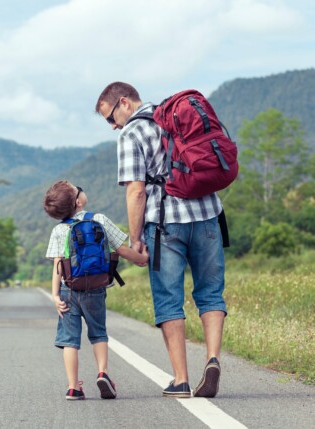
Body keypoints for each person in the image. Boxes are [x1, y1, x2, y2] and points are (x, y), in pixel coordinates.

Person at [95, 82, 227, 398]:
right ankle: (212, 359)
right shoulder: (176, 116)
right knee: (210, 293)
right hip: (208, 213)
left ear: (124, 103)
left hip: (165, 224)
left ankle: (181, 379)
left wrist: (136, 237)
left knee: (169, 299)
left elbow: (136, 191)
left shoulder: (131, 133)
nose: (113, 127)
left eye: (111, 118)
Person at [43, 180, 149, 401]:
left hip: (68, 290)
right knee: (98, 333)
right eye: (78, 189)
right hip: (97, 289)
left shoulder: (59, 230)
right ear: (79, 201)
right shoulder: (98, 219)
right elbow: (121, 249)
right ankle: (103, 373)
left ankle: (73, 387)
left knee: (70, 340)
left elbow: (57, 266)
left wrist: (55, 296)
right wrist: (142, 259)